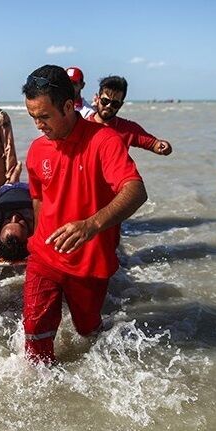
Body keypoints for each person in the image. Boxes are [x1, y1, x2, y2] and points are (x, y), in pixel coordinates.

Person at [22, 65, 148, 364]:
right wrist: (39, 241)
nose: (38, 125)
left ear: (68, 106)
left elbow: (136, 191)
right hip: (45, 257)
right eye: (32, 118)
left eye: (44, 116)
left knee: (88, 331)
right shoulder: (37, 150)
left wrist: (91, 226)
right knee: (35, 335)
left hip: (90, 262)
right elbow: (39, 198)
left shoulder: (104, 141)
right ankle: (45, 399)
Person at [88, 75, 172, 156]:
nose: (109, 106)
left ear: (121, 105)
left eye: (115, 103)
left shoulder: (127, 129)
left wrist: (164, 147)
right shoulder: (82, 125)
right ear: (97, 99)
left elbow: (154, 144)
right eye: (105, 101)